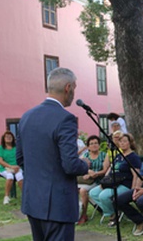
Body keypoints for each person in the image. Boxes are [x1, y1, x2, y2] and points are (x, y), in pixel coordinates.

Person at [16, 67, 89, 240]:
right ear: (68, 88)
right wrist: (85, 165)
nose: (74, 92)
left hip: (33, 200)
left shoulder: (26, 116)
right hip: (58, 204)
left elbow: (20, 158)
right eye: (75, 88)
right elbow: (71, 165)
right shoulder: (65, 118)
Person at [89, 133, 142, 227]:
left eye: (125, 141)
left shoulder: (133, 157)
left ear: (130, 143)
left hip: (125, 184)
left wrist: (133, 190)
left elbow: (136, 175)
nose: (122, 143)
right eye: (120, 141)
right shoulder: (118, 156)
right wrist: (105, 181)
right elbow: (111, 169)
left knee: (103, 196)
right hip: (112, 182)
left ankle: (113, 216)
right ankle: (113, 212)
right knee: (93, 193)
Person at [78, 135, 109, 225]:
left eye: (96, 143)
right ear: (88, 146)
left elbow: (105, 170)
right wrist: (88, 172)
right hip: (87, 180)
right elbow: (79, 166)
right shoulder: (86, 155)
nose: (94, 145)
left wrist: (95, 174)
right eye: (91, 144)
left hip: (98, 180)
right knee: (72, 188)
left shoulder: (104, 155)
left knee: (83, 191)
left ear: (99, 145)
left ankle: (84, 214)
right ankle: (76, 212)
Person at [0, 131, 23, 205]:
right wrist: (11, 166)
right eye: (7, 137)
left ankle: (24, 196)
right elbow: (0, 161)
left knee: (20, 177)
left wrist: (18, 166)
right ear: (3, 139)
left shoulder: (17, 147)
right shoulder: (0, 148)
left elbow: (22, 157)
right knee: (10, 176)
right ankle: (6, 197)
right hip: (5, 168)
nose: (8, 138)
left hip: (17, 167)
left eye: (10, 137)